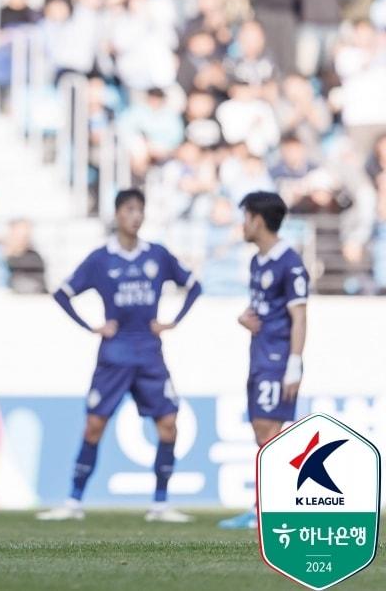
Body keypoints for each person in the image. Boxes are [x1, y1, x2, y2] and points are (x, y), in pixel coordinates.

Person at [37, 189, 202, 523]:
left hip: (150, 355)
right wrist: (92, 327)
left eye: (140, 209)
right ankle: (73, 501)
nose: (136, 215)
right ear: (118, 215)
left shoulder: (156, 255)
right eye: (130, 209)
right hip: (114, 354)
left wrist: (173, 322)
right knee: (94, 425)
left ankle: (160, 504)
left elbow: (194, 285)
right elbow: (63, 293)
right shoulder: (101, 258)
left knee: (169, 425)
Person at [219, 191, 308, 530]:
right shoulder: (258, 261)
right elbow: (260, 309)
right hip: (258, 356)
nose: (242, 225)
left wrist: (294, 364)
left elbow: (299, 317)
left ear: (258, 219)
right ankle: (263, 507)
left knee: (269, 434)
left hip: (277, 358)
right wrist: (245, 319)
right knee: (262, 433)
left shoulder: (291, 263)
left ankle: (270, 509)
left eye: (245, 217)